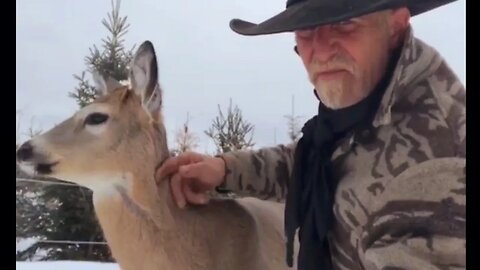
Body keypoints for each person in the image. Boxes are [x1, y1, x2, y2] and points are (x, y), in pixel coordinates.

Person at [156, 0, 466, 269]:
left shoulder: (433, 170)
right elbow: (323, 164)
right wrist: (225, 170)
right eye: (305, 30)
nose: (319, 51)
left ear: (395, 26)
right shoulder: (366, 108)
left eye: (344, 23)